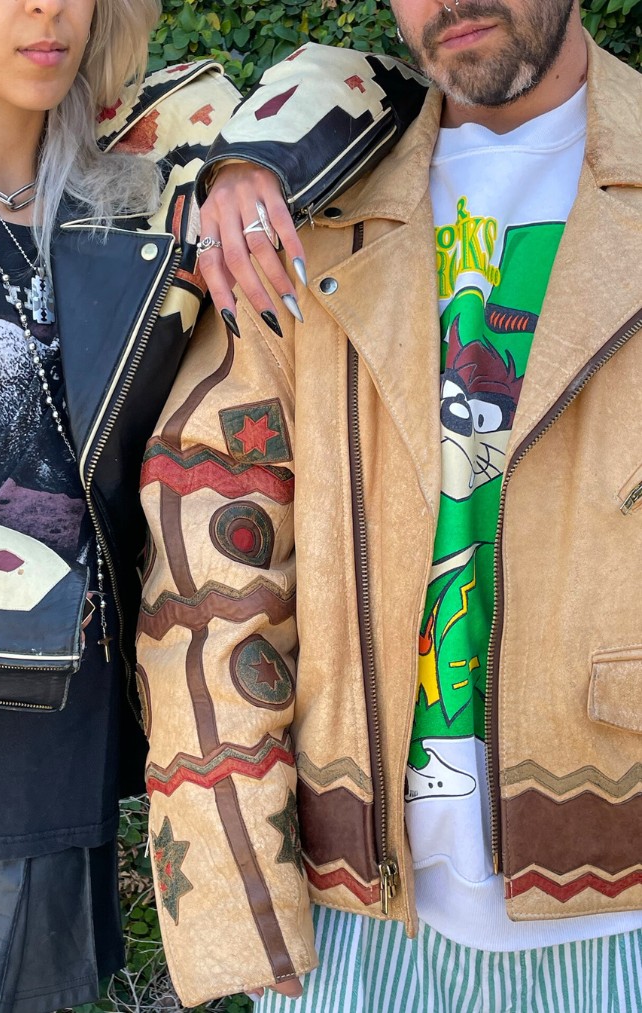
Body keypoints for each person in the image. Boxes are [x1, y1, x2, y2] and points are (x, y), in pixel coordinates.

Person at [137, 1, 642, 1009]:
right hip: (355, 918)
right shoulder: (303, 206)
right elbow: (214, 562)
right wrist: (240, 892)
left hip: (621, 908)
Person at [0, 0, 328, 1010]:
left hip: (45, 750)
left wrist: (243, 165)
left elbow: (367, 87)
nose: (45, 8)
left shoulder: (145, 208)